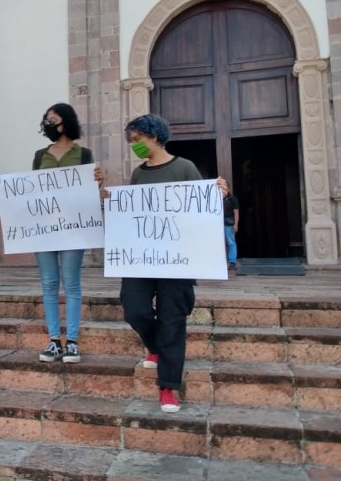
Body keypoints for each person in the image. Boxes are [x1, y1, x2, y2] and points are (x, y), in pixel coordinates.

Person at [118, 113, 226, 413]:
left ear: (154, 136)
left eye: (138, 139)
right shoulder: (139, 174)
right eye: (131, 141)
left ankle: (168, 388)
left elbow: (201, 209)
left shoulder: (184, 168)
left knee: (172, 322)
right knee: (134, 309)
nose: (134, 145)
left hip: (177, 260)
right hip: (142, 259)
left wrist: (218, 195)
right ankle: (153, 347)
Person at [33, 103, 97, 364]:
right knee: (48, 284)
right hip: (44, 228)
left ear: (67, 121)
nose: (49, 124)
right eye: (46, 120)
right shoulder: (40, 155)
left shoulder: (83, 155)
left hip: (74, 227)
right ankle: (53, 341)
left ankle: (71, 341)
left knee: (71, 283)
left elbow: (88, 190)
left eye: (54, 119)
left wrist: (98, 183)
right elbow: (31, 190)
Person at [222, 182, 240, 270]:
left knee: (231, 242)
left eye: (224, 188)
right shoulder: (217, 198)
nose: (222, 190)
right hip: (219, 224)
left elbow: (236, 212)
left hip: (229, 223)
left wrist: (236, 224)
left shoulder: (233, 199)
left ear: (228, 189)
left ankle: (232, 262)